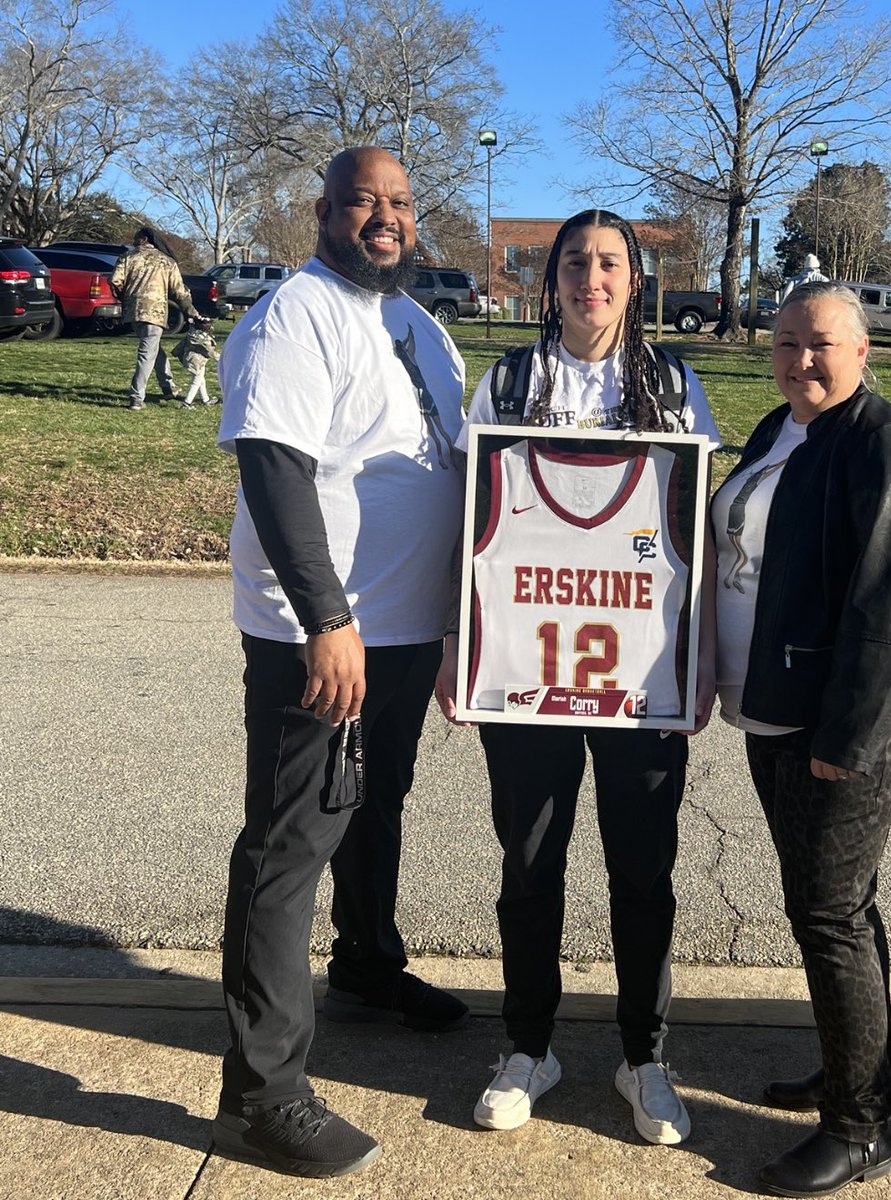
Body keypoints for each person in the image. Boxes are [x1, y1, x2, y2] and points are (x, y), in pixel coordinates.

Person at [435, 209, 720, 1147]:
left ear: (635, 279)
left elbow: (697, 537)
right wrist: (455, 645)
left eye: (608, 264)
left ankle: (644, 1056)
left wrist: (703, 656)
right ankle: (530, 1047)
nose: (590, 279)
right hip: (526, 672)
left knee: (643, 871)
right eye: (573, 264)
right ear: (547, 278)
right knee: (529, 864)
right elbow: (468, 528)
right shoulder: (511, 380)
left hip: (641, 678)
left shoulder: (674, 386)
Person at [211, 146, 470, 1179]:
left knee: (375, 805)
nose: (385, 219)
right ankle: (261, 1095)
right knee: (288, 846)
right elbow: (275, 467)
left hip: (404, 631)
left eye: (400, 204)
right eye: (364, 201)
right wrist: (325, 619)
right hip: (321, 637)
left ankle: (366, 961)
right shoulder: (295, 317)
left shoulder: (416, 324)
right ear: (322, 211)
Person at [709, 280, 891, 1197]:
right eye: (784, 343)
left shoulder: (890, 447)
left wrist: (845, 737)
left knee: (828, 912)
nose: (799, 361)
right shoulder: (780, 434)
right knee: (838, 905)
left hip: (849, 721)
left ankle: (859, 1128)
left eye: (819, 344)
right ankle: (862, 1070)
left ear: (863, 352)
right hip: (774, 704)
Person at [110, 228, 200, 410]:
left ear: (143, 239)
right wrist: (192, 312)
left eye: (136, 238)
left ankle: (168, 386)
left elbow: (115, 281)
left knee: (153, 348)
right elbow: (179, 291)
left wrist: (126, 298)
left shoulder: (127, 257)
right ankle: (136, 396)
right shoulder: (167, 261)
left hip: (133, 312)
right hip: (155, 313)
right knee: (147, 353)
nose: (134, 241)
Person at [175, 316, 220, 408]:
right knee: (196, 382)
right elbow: (210, 352)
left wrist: (175, 352)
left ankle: (206, 399)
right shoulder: (203, 339)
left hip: (190, 360)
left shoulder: (192, 333)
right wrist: (221, 358)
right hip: (197, 362)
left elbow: (181, 345)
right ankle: (187, 403)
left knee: (201, 380)